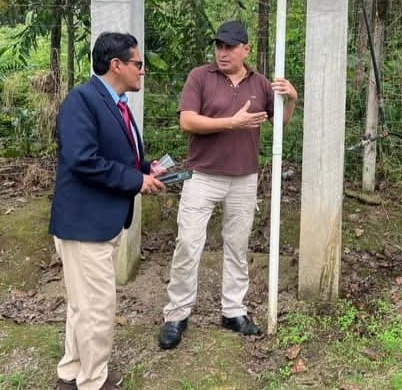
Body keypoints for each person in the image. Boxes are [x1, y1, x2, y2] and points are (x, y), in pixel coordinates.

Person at [158, 20, 298, 349]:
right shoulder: (200, 77)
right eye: (219, 46)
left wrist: (291, 99)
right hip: (202, 177)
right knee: (188, 244)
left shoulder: (260, 84)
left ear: (246, 50)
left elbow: (279, 124)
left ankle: (233, 311)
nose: (222, 53)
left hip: (244, 178)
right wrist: (231, 123)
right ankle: (176, 315)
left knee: (237, 246)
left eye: (230, 47)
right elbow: (187, 121)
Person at [49, 32, 166, 390]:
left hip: (101, 222)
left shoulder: (116, 103)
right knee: (97, 307)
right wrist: (135, 181)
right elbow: (83, 160)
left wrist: (144, 169)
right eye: (138, 63)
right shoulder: (82, 101)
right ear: (116, 65)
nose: (142, 70)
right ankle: (93, 381)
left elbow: (114, 154)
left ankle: (72, 372)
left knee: (83, 305)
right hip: (84, 225)